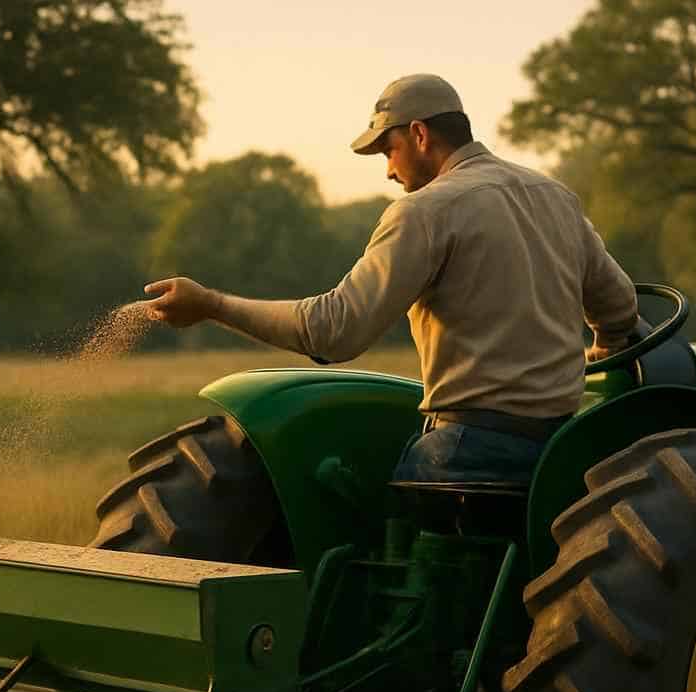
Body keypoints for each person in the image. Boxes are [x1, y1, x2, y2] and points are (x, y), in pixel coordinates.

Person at [143, 73, 638, 484]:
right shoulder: (556, 196)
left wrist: (211, 305)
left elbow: (335, 331)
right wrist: (602, 347)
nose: (388, 171)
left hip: (465, 454)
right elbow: (619, 307)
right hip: (561, 453)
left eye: (388, 150)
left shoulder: (425, 211)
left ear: (420, 135)